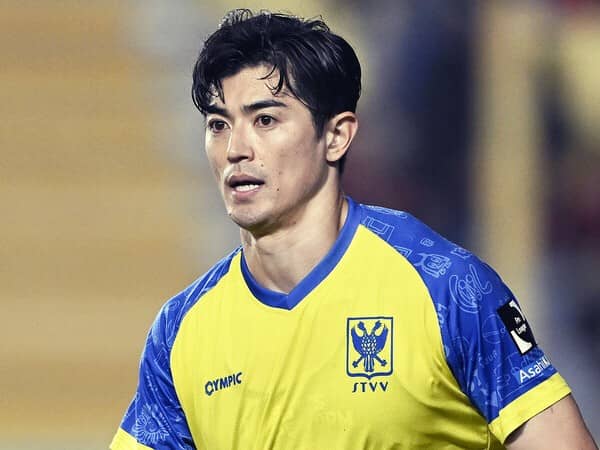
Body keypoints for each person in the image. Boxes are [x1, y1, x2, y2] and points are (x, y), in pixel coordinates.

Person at [110, 9, 597, 450]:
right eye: (218, 125)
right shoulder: (181, 329)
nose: (236, 148)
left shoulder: (446, 287)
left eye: (265, 120)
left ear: (337, 136)